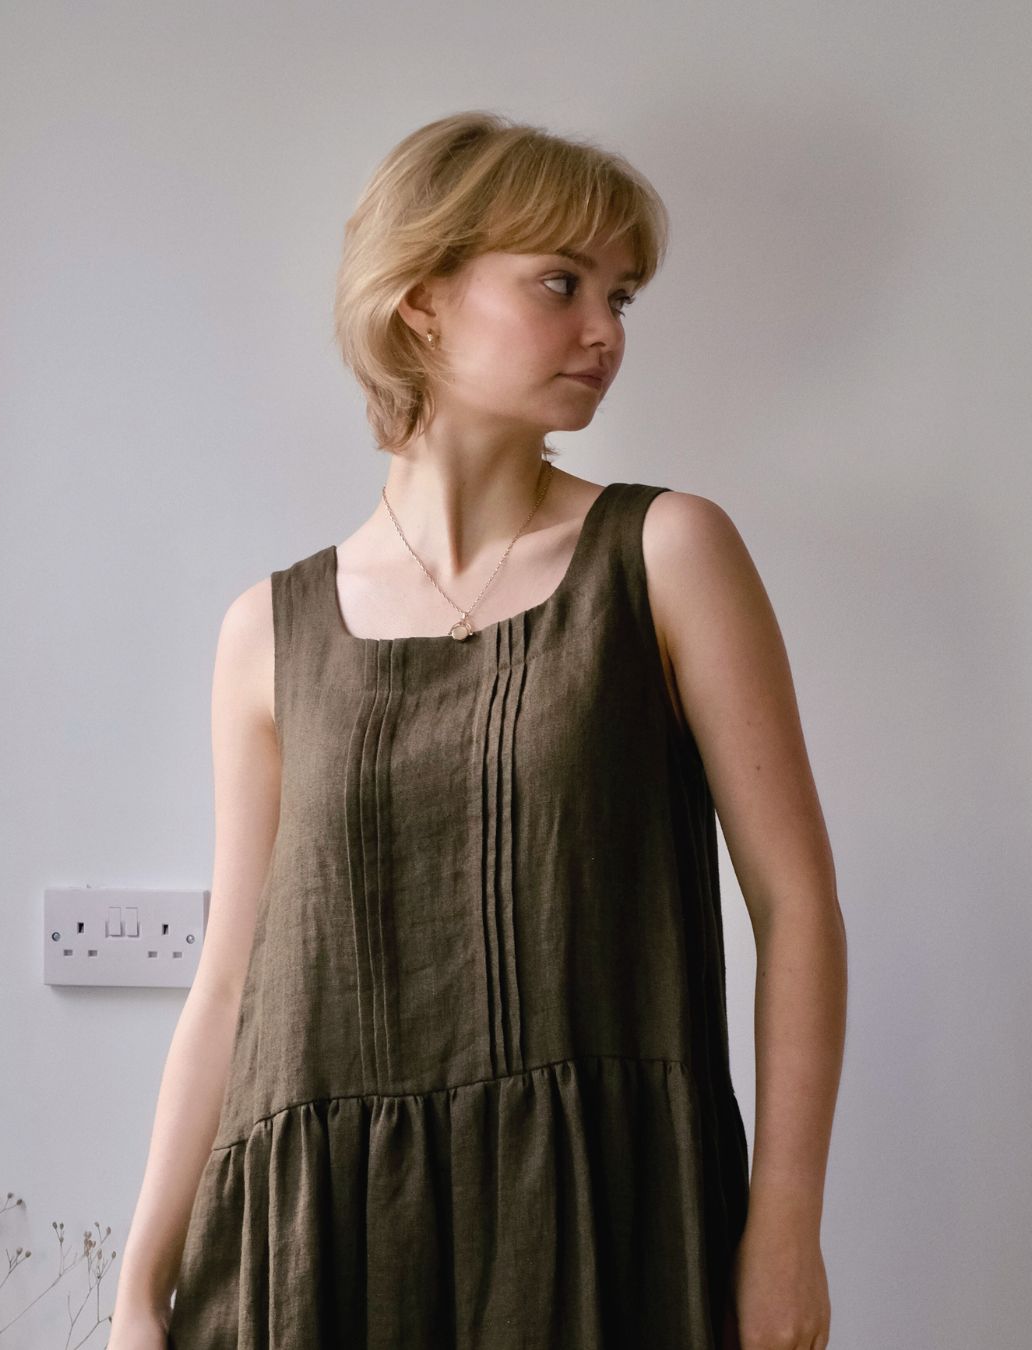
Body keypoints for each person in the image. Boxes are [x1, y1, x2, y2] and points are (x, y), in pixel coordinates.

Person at [108, 110, 846, 1350]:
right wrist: (140, 1288)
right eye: (562, 283)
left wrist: (785, 1228)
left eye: (622, 295)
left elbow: (798, 908)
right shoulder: (269, 632)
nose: (606, 330)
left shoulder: (666, 555)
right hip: (323, 1242)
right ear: (422, 301)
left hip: (601, 1221)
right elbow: (230, 978)